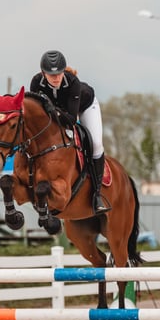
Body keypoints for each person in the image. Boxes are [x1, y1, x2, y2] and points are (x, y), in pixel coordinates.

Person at [30, 50, 111, 214]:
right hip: (59, 114)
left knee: (95, 144)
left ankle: (96, 195)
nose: (56, 78)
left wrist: (51, 110)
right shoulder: (36, 83)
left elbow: (71, 120)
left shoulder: (72, 82)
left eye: (59, 73)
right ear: (43, 73)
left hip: (85, 107)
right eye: (52, 75)